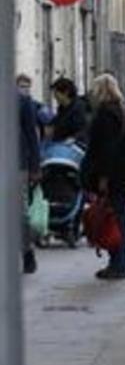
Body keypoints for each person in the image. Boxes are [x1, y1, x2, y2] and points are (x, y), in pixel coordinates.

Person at [82, 74, 125, 280]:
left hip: (113, 176)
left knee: (115, 218)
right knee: (116, 217)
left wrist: (103, 177)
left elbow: (106, 149)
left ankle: (120, 263)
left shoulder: (106, 115)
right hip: (121, 174)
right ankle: (119, 261)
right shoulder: (119, 112)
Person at [18, 83, 41, 274]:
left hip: (17, 165)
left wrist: (35, 166)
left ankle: (27, 252)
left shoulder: (22, 100)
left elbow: (31, 134)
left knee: (21, 212)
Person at [49, 77, 89, 143]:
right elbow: (56, 123)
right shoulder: (62, 108)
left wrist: (73, 138)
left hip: (75, 147)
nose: (54, 96)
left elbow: (83, 130)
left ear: (66, 92)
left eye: (56, 92)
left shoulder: (79, 108)